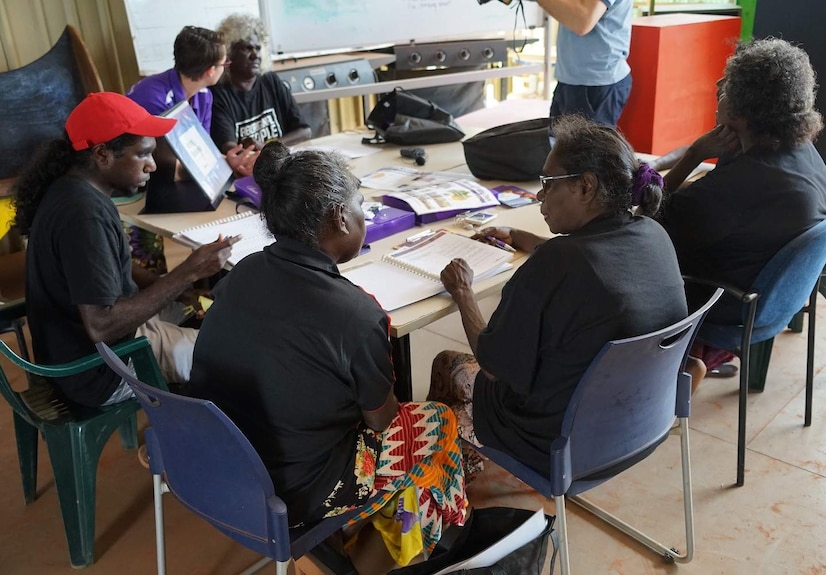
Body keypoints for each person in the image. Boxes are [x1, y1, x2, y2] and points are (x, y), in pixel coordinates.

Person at [188, 144, 467, 574]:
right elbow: (380, 420)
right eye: (362, 204)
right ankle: (384, 557)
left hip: (226, 466)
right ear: (339, 216)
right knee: (438, 423)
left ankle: (358, 535)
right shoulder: (357, 314)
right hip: (296, 490)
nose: (365, 215)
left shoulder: (242, 271)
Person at [428, 115, 688, 477]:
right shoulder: (653, 233)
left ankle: (465, 486)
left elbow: (492, 363)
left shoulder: (559, 263)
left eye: (548, 184)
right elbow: (594, 259)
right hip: (636, 424)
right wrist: (520, 236)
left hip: (554, 443)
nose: (539, 195)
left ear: (585, 187)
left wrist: (462, 292)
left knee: (447, 364)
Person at [12, 92, 236, 408]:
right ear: (102, 155)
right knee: (229, 356)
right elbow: (101, 326)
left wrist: (178, 288)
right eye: (142, 154)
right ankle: (181, 439)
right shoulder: (83, 214)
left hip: (88, 346)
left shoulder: (74, 189)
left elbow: (110, 267)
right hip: (99, 371)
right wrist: (190, 272)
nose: (153, 166)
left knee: (195, 311)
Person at [656, 39, 826, 372]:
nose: (717, 89)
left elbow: (645, 223)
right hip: (769, 298)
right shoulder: (800, 152)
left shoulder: (742, 183)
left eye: (726, 86)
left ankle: (665, 369)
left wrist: (693, 154)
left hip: (727, 301)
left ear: (742, 109)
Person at [126, 26, 254, 274]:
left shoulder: (203, 94)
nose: (225, 67)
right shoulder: (151, 97)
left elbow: (199, 148)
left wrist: (224, 161)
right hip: (137, 191)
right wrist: (216, 167)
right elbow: (162, 161)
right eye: (224, 63)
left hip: (175, 183)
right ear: (210, 71)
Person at [210, 14, 311, 154]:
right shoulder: (218, 93)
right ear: (229, 53)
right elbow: (230, 149)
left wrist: (267, 147)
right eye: (247, 48)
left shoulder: (270, 80)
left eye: (257, 48)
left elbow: (304, 131)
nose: (255, 55)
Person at [536, 0, 634, 126]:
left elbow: (583, 21)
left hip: (598, 83)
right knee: (560, 143)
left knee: (588, 145)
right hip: (570, 78)